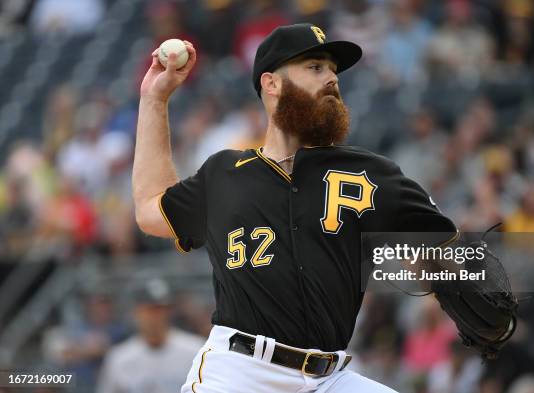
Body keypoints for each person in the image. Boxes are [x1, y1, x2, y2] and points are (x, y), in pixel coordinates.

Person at [132, 23, 507, 392]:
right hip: (238, 373)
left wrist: (457, 274)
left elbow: (445, 249)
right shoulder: (223, 175)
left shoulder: (372, 174)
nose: (331, 78)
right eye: (314, 67)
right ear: (271, 83)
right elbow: (150, 209)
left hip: (330, 378)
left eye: (333, 70)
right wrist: (154, 99)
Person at [96, 278, 204, 393]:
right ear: (136, 312)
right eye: (149, 310)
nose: (156, 316)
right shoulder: (119, 358)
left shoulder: (196, 350)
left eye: (161, 309)